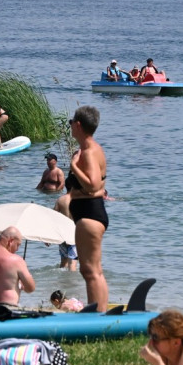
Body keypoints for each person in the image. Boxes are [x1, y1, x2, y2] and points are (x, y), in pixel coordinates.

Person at [67, 105, 109, 311]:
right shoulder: (93, 149)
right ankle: (101, 312)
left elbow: (92, 184)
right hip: (91, 211)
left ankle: (96, 314)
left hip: (89, 214)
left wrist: (74, 166)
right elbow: (99, 186)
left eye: (71, 123)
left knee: (89, 270)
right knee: (94, 270)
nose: (70, 127)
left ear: (78, 125)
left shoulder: (89, 152)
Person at [53, 193, 79, 271]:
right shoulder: (79, 199)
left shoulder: (61, 200)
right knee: (72, 264)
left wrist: (49, 236)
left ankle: (62, 282)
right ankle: (71, 282)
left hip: (63, 234)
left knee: (63, 263)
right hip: (74, 235)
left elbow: (52, 217)